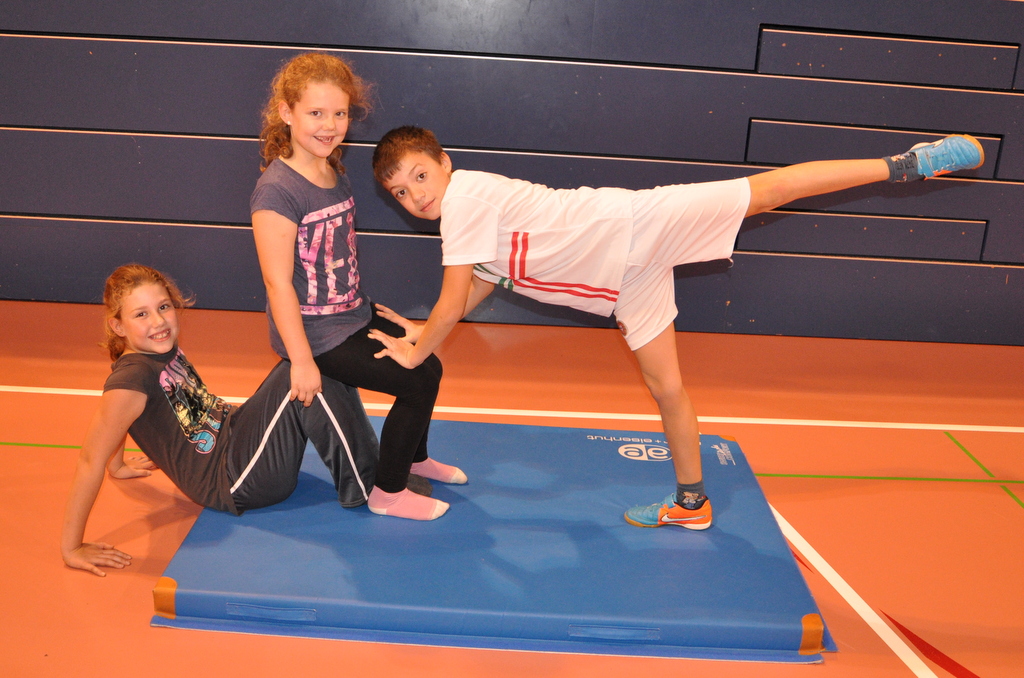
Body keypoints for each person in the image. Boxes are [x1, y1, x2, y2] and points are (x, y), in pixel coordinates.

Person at [369, 125, 985, 530]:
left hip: (634, 225)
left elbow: (453, 296)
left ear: (445, 163)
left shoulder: (465, 200)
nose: (415, 196)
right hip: (626, 281)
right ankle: (692, 502)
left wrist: (418, 349)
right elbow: (479, 284)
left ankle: (904, 163)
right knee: (667, 388)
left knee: (762, 193)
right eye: (399, 192)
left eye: (420, 175)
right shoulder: (468, 220)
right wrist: (421, 329)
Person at [251, 53, 464, 522]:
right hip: (316, 333)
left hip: (350, 312)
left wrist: (363, 309)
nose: (329, 126)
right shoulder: (277, 191)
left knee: (427, 362)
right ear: (287, 112)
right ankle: (388, 493)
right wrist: (301, 360)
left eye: (340, 113)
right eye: (316, 113)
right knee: (412, 383)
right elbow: (277, 283)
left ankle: (413, 459)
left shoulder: (333, 170)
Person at [60, 264, 381, 576]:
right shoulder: (132, 378)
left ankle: (369, 467)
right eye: (141, 314)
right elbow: (90, 458)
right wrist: (72, 547)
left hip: (235, 434)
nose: (158, 321)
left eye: (163, 307)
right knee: (300, 369)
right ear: (118, 327)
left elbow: (117, 418)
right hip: (231, 479)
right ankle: (369, 486)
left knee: (310, 361)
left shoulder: (152, 351)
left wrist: (117, 465)